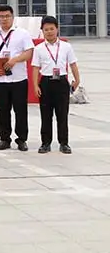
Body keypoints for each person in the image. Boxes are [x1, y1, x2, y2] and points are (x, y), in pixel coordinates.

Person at [0, 5, 35, 151]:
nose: (4, 19)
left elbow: (29, 52)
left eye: (7, 16)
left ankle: (21, 139)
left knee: (20, 110)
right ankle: (4, 139)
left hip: (19, 79)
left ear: (13, 17)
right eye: (1, 17)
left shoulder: (22, 33)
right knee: (3, 110)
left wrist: (15, 60)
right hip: (1, 79)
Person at [31, 16, 80, 154]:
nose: (49, 32)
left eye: (52, 29)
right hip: (46, 83)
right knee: (46, 115)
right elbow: (35, 68)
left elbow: (73, 64)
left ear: (57, 29)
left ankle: (64, 143)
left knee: (62, 115)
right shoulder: (38, 48)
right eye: (46, 29)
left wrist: (77, 80)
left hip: (62, 82)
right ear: (42, 31)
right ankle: (45, 143)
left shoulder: (66, 46)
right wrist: (35, 85)